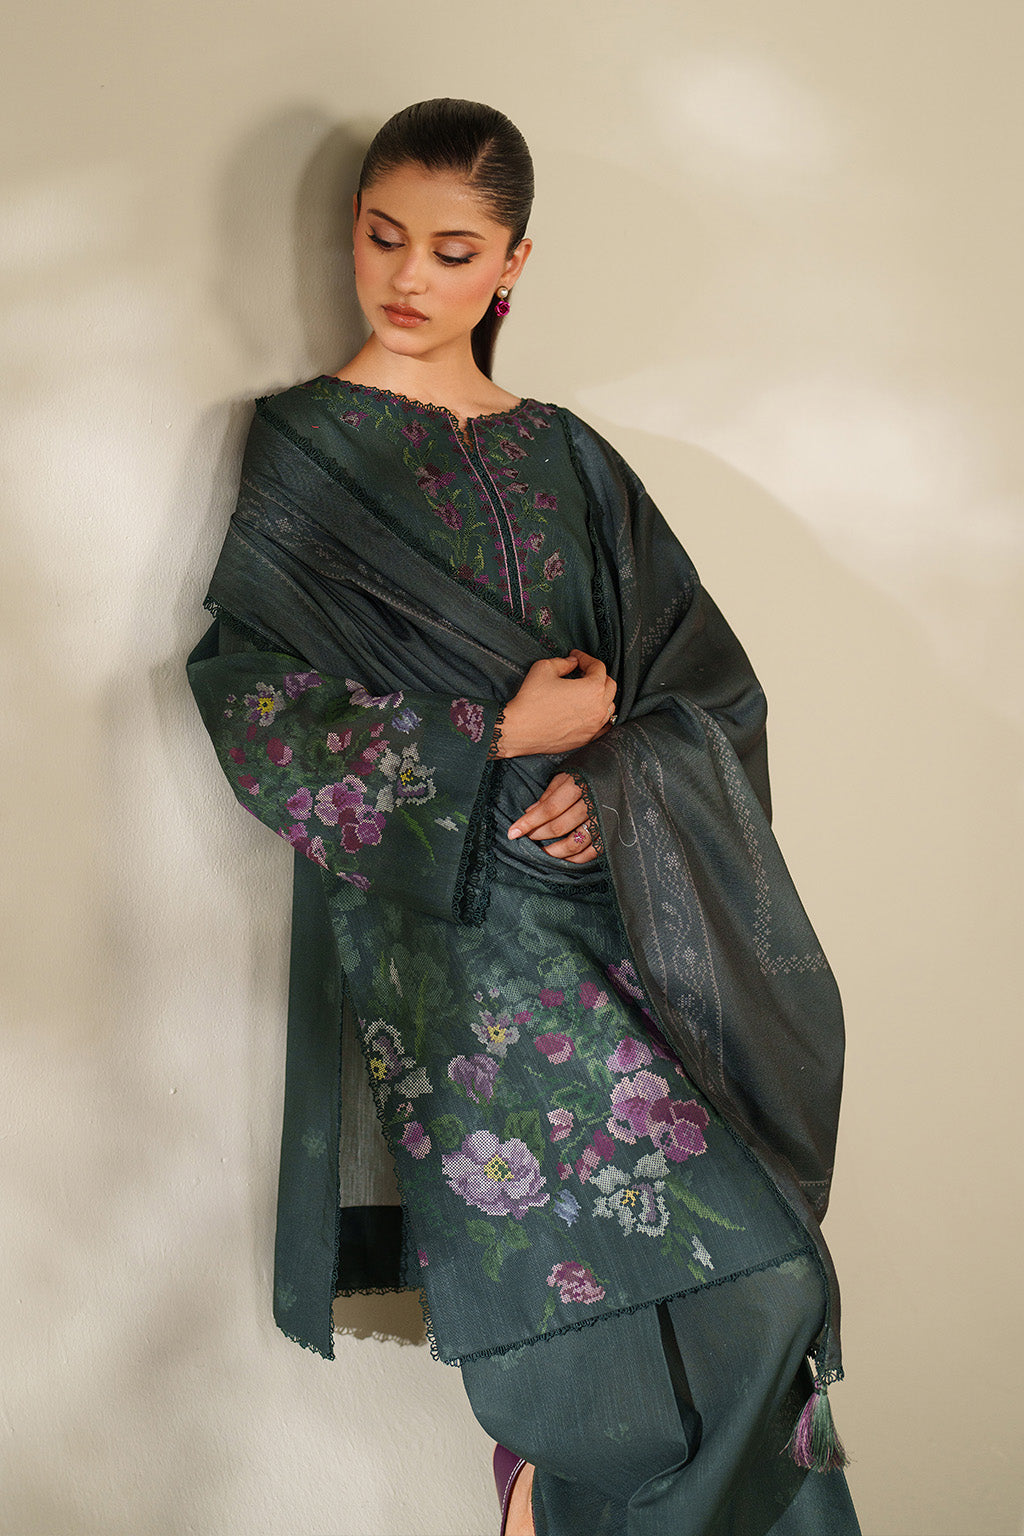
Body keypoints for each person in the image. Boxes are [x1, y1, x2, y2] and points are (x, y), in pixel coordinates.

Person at [188, 98, 860, 1536]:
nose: (407, 276)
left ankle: (553, 1503)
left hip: (628, 924)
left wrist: (616, 786)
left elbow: (708, 690)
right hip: (454, 945)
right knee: (672, 1308)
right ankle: (554, 1478)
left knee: (771, 1282)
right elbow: (254, 704)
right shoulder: (309, 448)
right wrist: (492, 734)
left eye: (452, 251)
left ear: (512, 264)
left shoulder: (571, 456)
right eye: (383, 236)